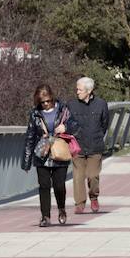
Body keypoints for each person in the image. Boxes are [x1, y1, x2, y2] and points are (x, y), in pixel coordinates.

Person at [21, 83, 81, 228]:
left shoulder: (63, 110)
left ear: (52, 98)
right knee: (44, 186)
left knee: (59, 185)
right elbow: (30, 137)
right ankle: (45, 216)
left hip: (59, 151)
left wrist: (65, 127)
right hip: (42, 153)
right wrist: (26, 161)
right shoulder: (35, 114)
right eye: (42, 102)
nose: (46, 104)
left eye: (48, 101)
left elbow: (76, 125)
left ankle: (61, 209)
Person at [66, 76, 110, 214]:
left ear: (89, 90)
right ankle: (79, 203)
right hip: (77, 146)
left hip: (95, 146)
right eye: (77, 89)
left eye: (79, 89)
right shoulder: (71, 104)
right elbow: (66, 123)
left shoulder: (101, 104)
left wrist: (97, 136)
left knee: (93, 175)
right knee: (78, 176)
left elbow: (105, 124)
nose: (77, 92)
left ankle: (94, 197)